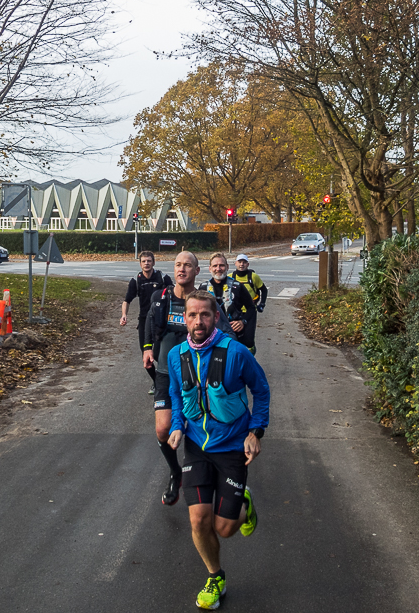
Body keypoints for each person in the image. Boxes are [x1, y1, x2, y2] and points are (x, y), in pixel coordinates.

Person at [167, 290, 270, 610]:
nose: (199, 321)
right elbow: (176, 395)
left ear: (216, 318)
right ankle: (215, 576)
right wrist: (176, 426)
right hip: (197, 446)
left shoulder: (236, 352)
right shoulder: (176, 355)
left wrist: (256, 431)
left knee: (224, 529)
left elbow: (261, 390)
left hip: (231, 447)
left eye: (205, 315)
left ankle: (244, 503)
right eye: (193, 315)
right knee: (198, 520)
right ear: (184, 318)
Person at [144, 252, 233, 506]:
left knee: (199, 427)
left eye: (187, 266)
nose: (181, 269)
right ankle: (175, 472)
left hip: (198, 377)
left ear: (197, 271)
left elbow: (226, 334)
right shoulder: (161, 298)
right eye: (178, 265)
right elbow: (149, 324)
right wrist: (147, 348)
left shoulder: (205, 302)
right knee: (163, 430)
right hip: (165, 373)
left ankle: (207, 474)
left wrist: (232, 361)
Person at [121, 251, 170, 394]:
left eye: (149, 261)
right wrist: (124, 315)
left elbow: (174, 294)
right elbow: (127, 300)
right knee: (146, 356)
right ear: (140, 264)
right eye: (144, 261)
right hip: (144, 322)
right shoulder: (136, 280)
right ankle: (156, 382)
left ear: (154, 263)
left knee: (161, 353)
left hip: (162, 320)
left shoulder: (162, 278)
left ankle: (165, 381)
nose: (146, 263)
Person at [198, 253, 256, 354]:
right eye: (215, 266)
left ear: (227, 267)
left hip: (233, 335)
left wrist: (243, 322)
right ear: (210, 268)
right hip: (210, 335)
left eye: (221, 265)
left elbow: (251, 308)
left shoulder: (238, 287)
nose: (218, 268)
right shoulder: (203, 288)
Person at [230, 253, 268, 354]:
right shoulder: (230, 277)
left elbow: (264, 290)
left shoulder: (253, 277)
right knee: (234, 338)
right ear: (235, 263)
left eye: (244, 262)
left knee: (249, 340)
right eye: (239, 262)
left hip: (250, 311)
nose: (241, 264)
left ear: (248, 264)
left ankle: (251, 357)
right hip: (235, 313)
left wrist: (262, 304)